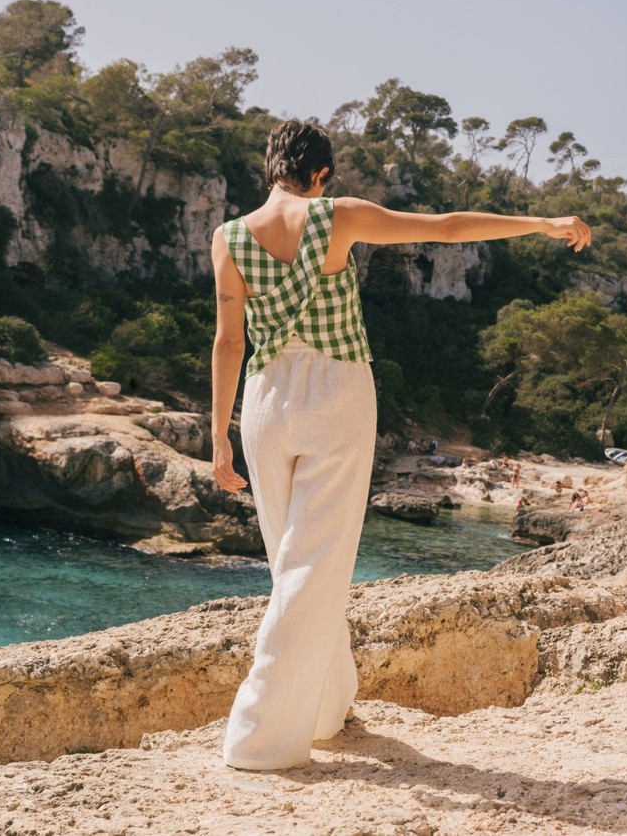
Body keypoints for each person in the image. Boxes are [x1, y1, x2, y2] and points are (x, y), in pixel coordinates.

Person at [210, 119, 591, 771]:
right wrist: (538, 221)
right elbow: (445, 227)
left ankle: (325, 707)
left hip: (265, 404)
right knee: (312, 567)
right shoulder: (339, 216)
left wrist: (217, 434)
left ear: (270, 168)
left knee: (294, 565)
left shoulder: (228, 237)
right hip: (336, 394)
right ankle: (260, 735)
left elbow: (228, 341)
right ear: (321, 174)